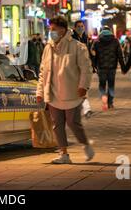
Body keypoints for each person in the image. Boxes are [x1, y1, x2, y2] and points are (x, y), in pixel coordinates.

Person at [36, 16, 94, 164]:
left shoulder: (77, 47)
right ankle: (64, 154)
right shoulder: (48, 48)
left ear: (63, 30)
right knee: (57, 124)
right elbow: (43, 71)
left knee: (73, 122)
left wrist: (83, 86)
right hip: (54, 92)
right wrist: (40, 92)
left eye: (54, 29)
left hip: (72, 92)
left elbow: (86, 69)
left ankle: (86, 145)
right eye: (50, 29)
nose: (51, 32)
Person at [92, 27, 125, 110]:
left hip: (101, 67)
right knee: (111, 85)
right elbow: (120, 55)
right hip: (112, 67)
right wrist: (123, 67)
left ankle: (104, 98)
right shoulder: (115, 41)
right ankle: (110, 103)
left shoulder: (97, 42)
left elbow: (94, 56)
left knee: (102, 84)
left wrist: (94, 66)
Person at [71, 20, 94, 118]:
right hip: (75, 68)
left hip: (84, 67)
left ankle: (86, 109)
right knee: (77, 90)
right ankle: (83, 109)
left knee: (83, 88)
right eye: (79, 26)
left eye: (82, 26)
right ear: (75, 28)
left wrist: (92, 64)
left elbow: (88, 53)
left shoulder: (85, 38)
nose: (80, 28)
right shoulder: (72, 39)